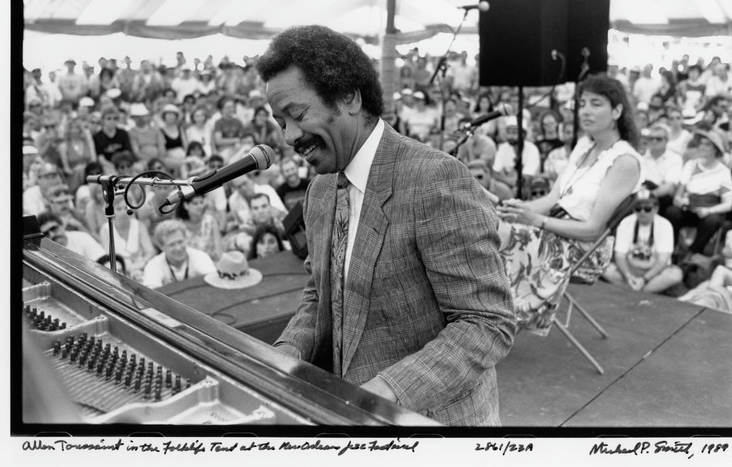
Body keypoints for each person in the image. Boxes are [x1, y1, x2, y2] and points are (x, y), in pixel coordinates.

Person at [256, 25, 516, 426]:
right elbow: (320, 293)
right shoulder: (321, 190)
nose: (289, 136)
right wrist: (289, 350)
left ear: (349, 97)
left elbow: (486, 322)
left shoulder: (435, 179)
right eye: (279, 122)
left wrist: (385, 392)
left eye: (297, 115)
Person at [496, 74, 643, 334]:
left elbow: (593, 230)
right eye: (583, 103)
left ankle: (493, 317)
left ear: (617, 111)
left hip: (583, 248)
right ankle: (491, 313)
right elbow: (553, 199)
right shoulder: (584, 145)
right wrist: (521, 209)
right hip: (552, 230)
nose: (585, 111)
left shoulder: (625, 161)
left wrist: (535, 220)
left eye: (596, 104)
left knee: (495, 236)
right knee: (492, 222)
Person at [663, 130, 732, 257]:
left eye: (707, 144)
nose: (702, 146)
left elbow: (728, 204)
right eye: (701, 143)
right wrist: (679, 200)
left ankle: (692, 253)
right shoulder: (691, 165)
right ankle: (670, 251)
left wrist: (709, 211)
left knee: (712, 221)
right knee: (672, 212)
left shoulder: (723, 172)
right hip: (691, 208)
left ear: (715, 149)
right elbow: (678, 194)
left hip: (709, 211)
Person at [601, 189, 683, 293]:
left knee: (675, 275)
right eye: (638, 208)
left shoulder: (665, 225)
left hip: (653, 273)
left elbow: (662, 261)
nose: (642, 212)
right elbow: (620, 256)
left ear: (656, 209)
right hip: (629, 269)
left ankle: (632, 289)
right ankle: (640, 289)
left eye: (647, 208)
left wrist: (644, 279)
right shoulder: (626, 222)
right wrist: (628, 276)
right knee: (603, 268)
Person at [142, 219, 217, 289]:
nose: (178, 248)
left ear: (186, 239)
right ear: (162, 247)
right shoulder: (153, 265)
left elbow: (214, 282)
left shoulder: (200, 257)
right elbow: (151, 295)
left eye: (180, 242)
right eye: (172, 244)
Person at [98, 194, 156, 280]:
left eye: (126, 208)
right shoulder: (105, 229)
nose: (123, 212)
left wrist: (142, 263)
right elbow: (109, 256)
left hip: (142, 267)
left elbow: (150, 251)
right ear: (111, 210)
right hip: (119, 271)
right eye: (119, 209)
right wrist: (128, 268)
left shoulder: (139, 225)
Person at [641, 123, 683, 215]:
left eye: (658, 139)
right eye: (651, 139)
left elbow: (670, 186)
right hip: (641, 193)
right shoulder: (641, 157)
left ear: (666, 141)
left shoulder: (674, 158)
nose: (654, 141)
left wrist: (649, 195)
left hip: (661, 197)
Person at [37, 212, 107, 262]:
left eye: (53, 228)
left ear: (61, 225)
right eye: (46, 233)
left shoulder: (82, 237)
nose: (52, 234)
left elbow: (102, 260)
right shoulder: (44, 252)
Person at [175, 195, 223, 262]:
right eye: (195, 203)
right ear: (186, 205)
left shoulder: (210, 220)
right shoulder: (178, 226)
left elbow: (219, 253)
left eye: (201, 202)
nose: (200, 206)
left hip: (212, 263)